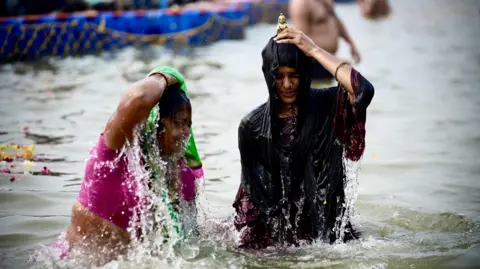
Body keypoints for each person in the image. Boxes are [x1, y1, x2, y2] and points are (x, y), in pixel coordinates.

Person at [232, 21, 374, 248]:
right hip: (280, 243)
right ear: (268, 77)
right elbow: (252, 196)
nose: (287, 85)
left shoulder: (326, 106)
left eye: (294, 75)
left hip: (330, 238)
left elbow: (362, 90)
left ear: (305, 74)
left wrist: (314, 50)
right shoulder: (252, 127)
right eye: (279, 76)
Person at [57, 66, 204, 265]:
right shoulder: (114, 154)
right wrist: (167, 75)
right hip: (70, 263)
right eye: (179, 122)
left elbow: (191, 238)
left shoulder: (180, 175)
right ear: (154, 123)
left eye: (189, 124)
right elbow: (139, 98)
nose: (186, 133)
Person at [289, 0, 361, 84]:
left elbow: (335, 20)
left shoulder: (326, 1)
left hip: (328, 60)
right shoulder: (301, 4)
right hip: (314, 64)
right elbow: (300, 41)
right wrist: (336, 62)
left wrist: (351, 45)